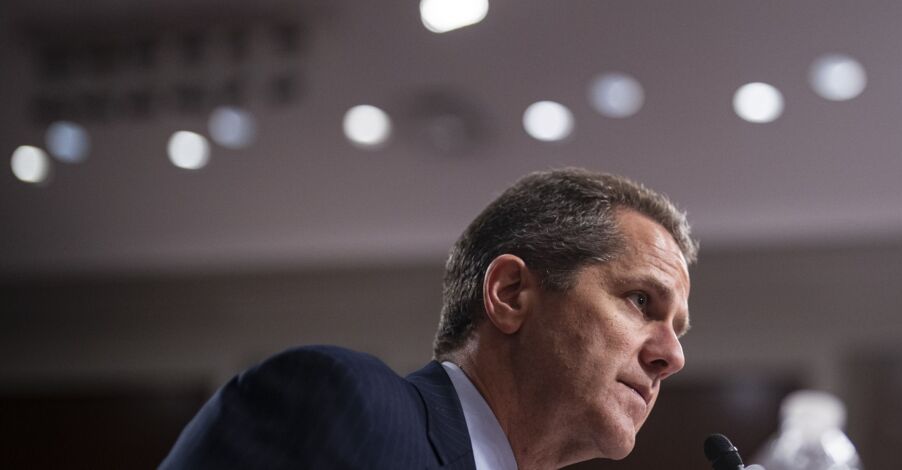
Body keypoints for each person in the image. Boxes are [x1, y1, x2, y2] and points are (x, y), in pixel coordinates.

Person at [161, 167, 698, 469]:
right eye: (640, 301)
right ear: (511, 294)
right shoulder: (341, 406)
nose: (672, 356)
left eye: (677, 330)